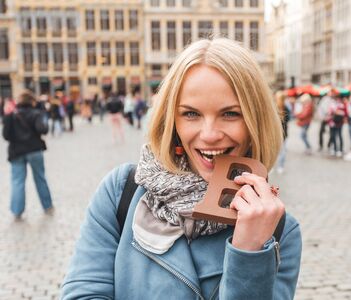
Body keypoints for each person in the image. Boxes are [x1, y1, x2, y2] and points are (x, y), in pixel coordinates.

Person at [61, 38, 301, 299]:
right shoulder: (121, 192)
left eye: (230, 114)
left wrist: (249, 253)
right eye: (191, 114)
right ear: (171, 120)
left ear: (256, 121)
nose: (209, 134)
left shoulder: (278, 230)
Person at [2, 91, 54, 220]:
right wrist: (42, 112)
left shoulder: (12, 115)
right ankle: (47, 206)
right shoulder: (36, 113)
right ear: (32, 101)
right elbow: (44, 130)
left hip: (17, 151)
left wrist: (8, 116)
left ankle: (17, 211)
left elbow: (6, 136)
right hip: (34, 149)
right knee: (40, 178)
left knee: (17, 181)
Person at [274, 90, 291, 174]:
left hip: (279, 133)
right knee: (280, 151)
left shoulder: (281, 108)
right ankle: (279, 166)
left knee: (279, 151)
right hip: (279, 133)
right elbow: (289, 119)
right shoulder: (275, 107)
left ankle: (279, 166)